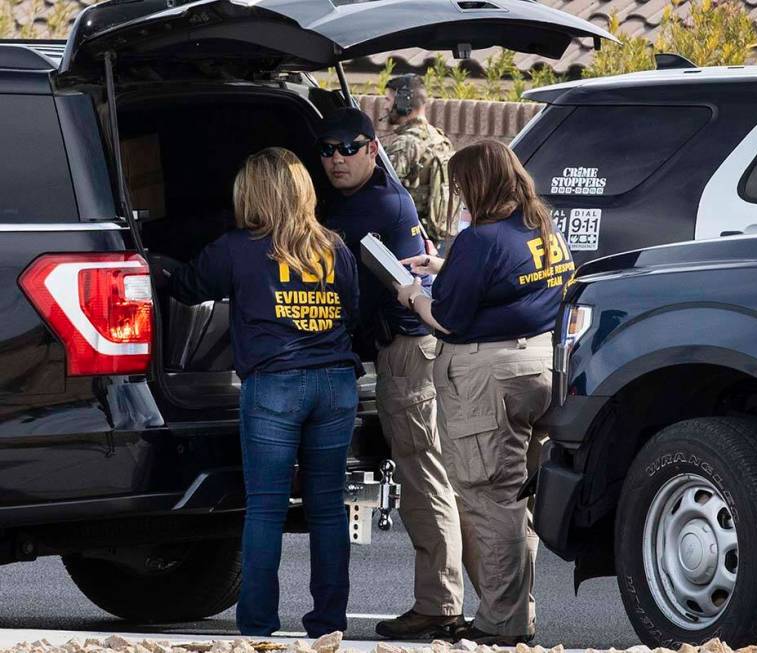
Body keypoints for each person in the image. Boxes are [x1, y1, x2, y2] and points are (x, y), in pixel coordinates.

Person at [162, 147, 361, 638]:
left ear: (252, 194)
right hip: (336, 384)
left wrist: (156, 262)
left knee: (267, 507)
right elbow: (352, 312)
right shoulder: (336, 247)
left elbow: (187, 286)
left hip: (274, 385)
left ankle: (257, 625)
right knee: (328, 507)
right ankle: (328, 623)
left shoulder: (236, 248)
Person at [395, 140, 575, 646]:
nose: (457, 194)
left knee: (489, 499)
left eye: (460, 185)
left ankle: (501, 623)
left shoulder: (480, 238)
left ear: (476, 185)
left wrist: (413, 295)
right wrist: (445, 271)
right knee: (518, 498)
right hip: (542, 366)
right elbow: (512, 281)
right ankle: (519, 616)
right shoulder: (540, 224)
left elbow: (447, 318)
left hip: (488, 376)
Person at [317, 108, 466, 640]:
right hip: (398, 351)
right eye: (327, 150)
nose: (336, 158)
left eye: (347, 148)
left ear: (373, 149)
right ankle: (444, 601)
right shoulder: (364, 195)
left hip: (407, 353)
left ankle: (440, 605)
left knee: (423, 480)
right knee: (426, 476)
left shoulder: (379, 204)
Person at [383, 74, 456, 251]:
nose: (385, 106)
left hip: (405, 239)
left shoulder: (406, 144)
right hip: (433, 241)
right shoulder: (440, 138)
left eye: (388, 100)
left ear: (403, 102)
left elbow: (381, 193)